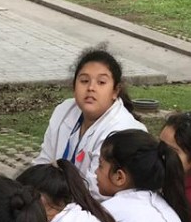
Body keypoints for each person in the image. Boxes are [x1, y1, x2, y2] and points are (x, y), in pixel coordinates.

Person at [32, 48, 146, 198]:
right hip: (61, 200)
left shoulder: (123, 130)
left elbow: (96, 190)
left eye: (101, 82)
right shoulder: (65, 110)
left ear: (115, 91)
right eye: (84, 81)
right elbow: (43, 162)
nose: (91, 88)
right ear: (74, 86)